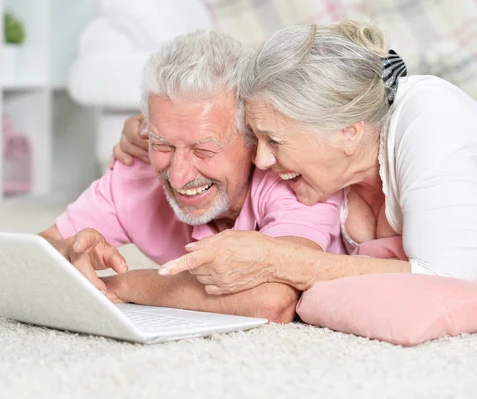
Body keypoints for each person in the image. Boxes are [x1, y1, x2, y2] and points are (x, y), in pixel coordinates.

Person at [113, 20, 477, 295]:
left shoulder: (432, 119)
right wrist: (152, 131)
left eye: (273, 140)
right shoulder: (334, 168)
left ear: (348, 131)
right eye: (257, 138)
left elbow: (449, 282)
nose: (262, 161)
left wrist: (280, 260)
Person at [39, 30, 345, 322]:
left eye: (204, 151)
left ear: (254, 138)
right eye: (163, 145)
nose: (179, 175)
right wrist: (69, 253)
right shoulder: (137, 171)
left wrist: (123, 285)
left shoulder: (293, 177)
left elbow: (270, 301)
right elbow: (38, 248)